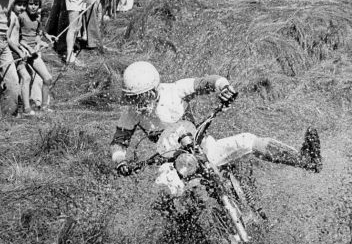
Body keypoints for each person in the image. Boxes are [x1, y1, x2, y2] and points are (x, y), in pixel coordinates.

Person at [111, 61, 322, 193]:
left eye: (141, 96)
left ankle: (305, 160)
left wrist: (224, 87)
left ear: (154, 89)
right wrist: (120, 161)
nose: (138, 103)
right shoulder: (130, 114)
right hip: (174, 164)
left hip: (203, 148)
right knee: (167, 193)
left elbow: (206, 82)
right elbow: (119, 143)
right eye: (132, 98)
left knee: (247, 140)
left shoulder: (175, 90)